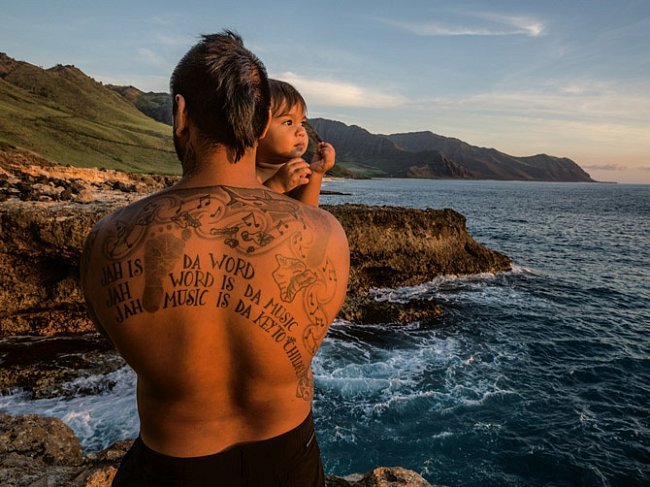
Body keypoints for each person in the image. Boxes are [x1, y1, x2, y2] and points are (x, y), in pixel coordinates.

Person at [80, 30, 349, 486]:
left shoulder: (108, 237)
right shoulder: (326, 233)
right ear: (263, 123)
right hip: (289, 460)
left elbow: (119, 336)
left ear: (181, 114)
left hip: (173, 465)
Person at [256, 78, 336, 207]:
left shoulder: (297, 170)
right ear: (257, 127)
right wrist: (276, 186)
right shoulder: (249, 174)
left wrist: (316, 173)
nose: (301, 131)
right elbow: (248, 213)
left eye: (302, 123)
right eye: (288, 122)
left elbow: (308, 212)